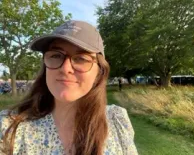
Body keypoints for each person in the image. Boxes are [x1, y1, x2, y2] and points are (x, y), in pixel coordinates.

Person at [0, 20, 138, 155]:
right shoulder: (10, 127)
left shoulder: (116, 120)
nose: (66, 69)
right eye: (56, 55)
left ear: (99, 72)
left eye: (81, 58)